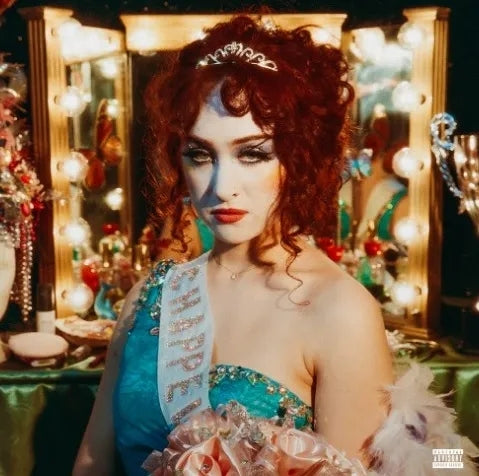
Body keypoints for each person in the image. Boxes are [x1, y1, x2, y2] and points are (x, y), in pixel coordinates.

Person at [73, 16, 476, 476]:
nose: (222, 186)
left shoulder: (338, 310)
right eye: (200, 154)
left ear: (301, 157)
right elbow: (91, 462)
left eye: (253, 153)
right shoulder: (149, 297)